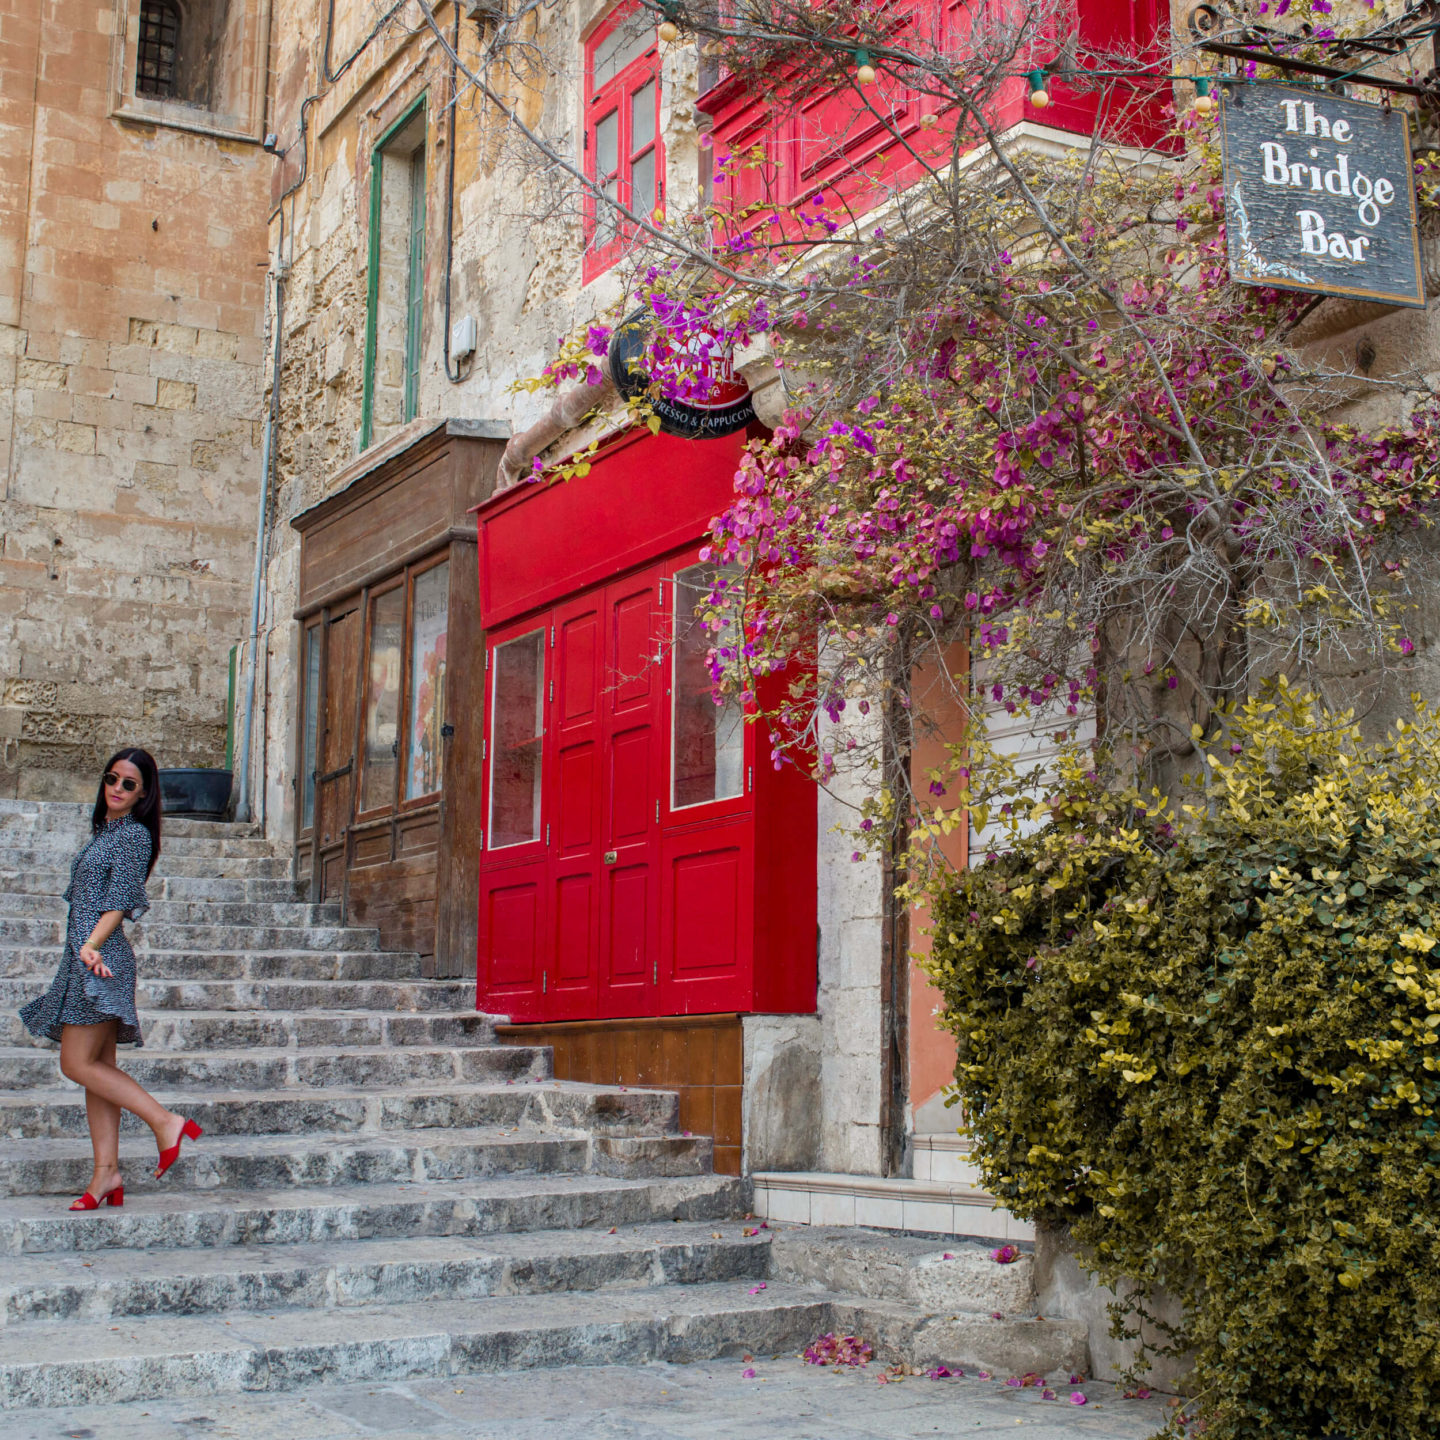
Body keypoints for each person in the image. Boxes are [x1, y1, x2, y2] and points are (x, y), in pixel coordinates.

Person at [18, 748, 202, 1209]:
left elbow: (119, 901)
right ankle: (106, 1173)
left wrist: (93, 946)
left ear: (143, 795)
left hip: (99, 961)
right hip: (84, 959)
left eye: (129, 784)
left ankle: (165, 1122)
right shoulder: (106, 833)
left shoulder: (134, 835)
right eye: (112, 778)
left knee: (75, 1064)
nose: (116, 789)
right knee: (98, 1071)